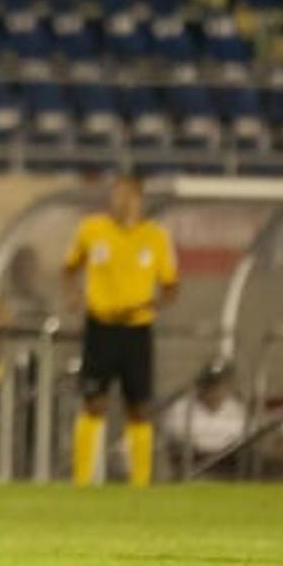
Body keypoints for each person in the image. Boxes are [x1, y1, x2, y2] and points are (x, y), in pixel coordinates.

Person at [63, 173, 177, 487]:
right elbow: (70, 267)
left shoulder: (155, 237)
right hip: (100, 325)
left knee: (138, 407)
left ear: (140, 199)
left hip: (136, 329)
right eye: (117, 195)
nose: (122, 201)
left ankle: (140, 483)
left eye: (128, 195)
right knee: (93, 402)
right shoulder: (92, 230)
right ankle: (82, 481)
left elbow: (170, 287)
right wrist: (73, 293)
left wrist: (150, 305)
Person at [161, 359, 246, 471]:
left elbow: (242, 438)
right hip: (193, 463)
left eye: (221, 383)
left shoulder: (235, 407)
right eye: (212, 383)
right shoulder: (181, 407)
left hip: (230, 463)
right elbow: (179, 441)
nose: (216, 389)